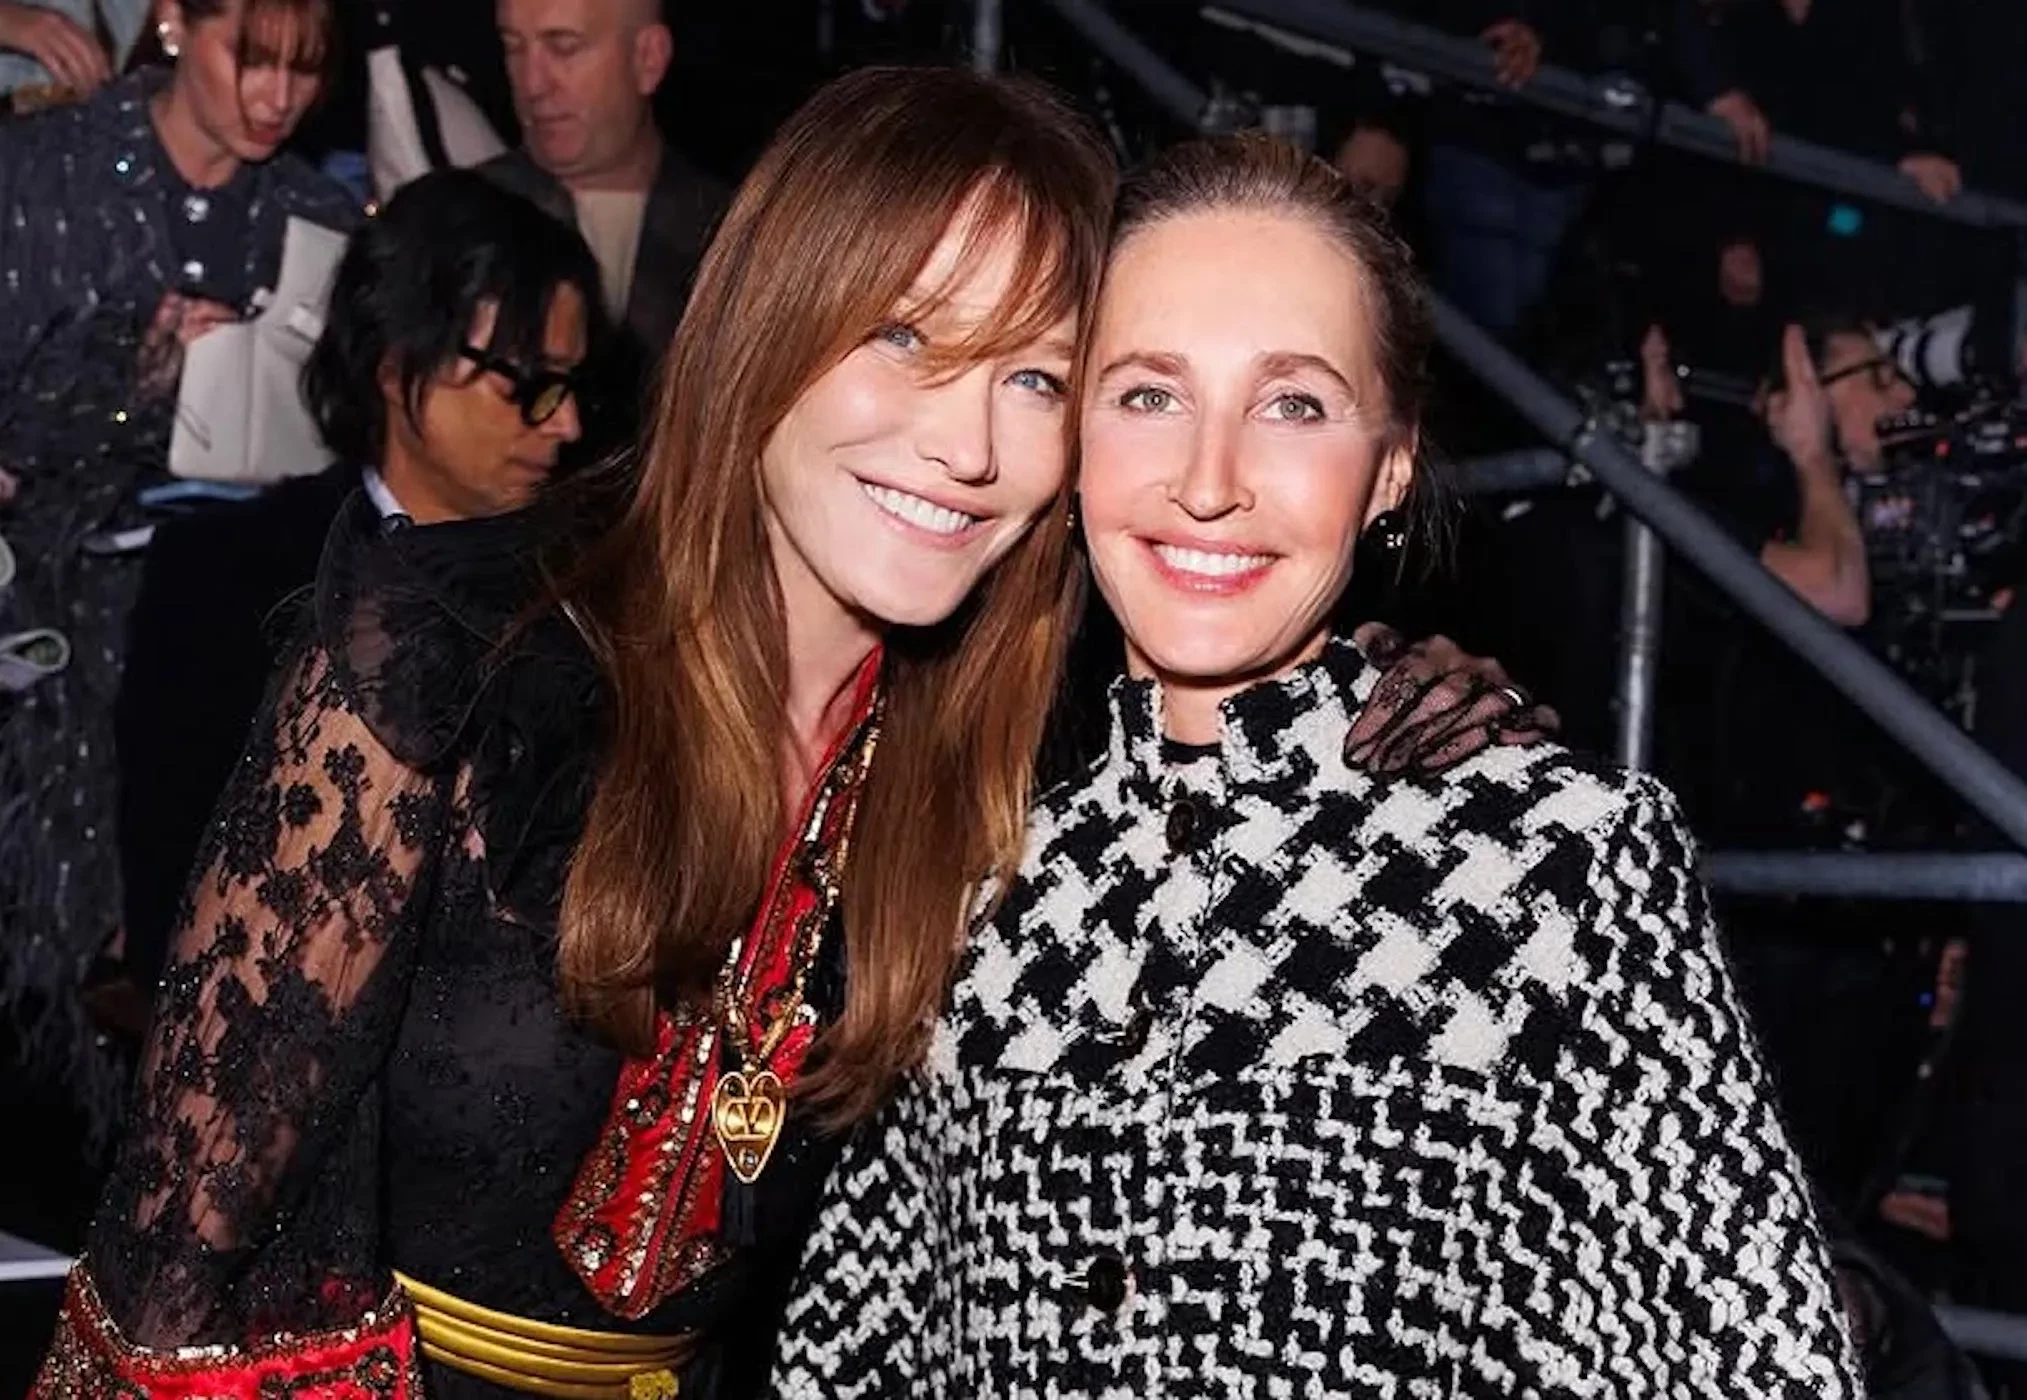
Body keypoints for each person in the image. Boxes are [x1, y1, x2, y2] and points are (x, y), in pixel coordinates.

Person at [38, 69, 1541, 1400]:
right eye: (902, 337)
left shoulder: (1013, 764)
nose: (964, 445)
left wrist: (1397, 679)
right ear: (769, 321)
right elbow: (171, 1275)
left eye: (1032, 378)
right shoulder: (449, 656)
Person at [771, 134, 1862, 1397]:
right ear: (1069, 442)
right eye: (1147, 394)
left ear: (1389, 464)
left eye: (1291, 403)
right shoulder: (968, 883)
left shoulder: (1560, 867)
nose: (1208, 482)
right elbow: (841, 1360)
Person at [107, 169, 609, 1022]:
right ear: (398, 363)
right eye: (529, 383)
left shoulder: (588, 594)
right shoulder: (221, 579)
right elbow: (171, 907)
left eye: (570, 384)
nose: (566, 424)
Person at [0, 0, 357, 1137]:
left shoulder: (316, 217)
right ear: (172, 24)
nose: (277, 96)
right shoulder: (43, 173)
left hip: (232, 647)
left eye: (305, 67)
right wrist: (131, 381)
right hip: (45, 639)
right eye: (249, 57)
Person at [483, 0, 726, 370]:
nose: (532, 84)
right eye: (513, 48)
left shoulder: (730, 233)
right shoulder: (457, 221)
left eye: (564, 48)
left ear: (648, 58)